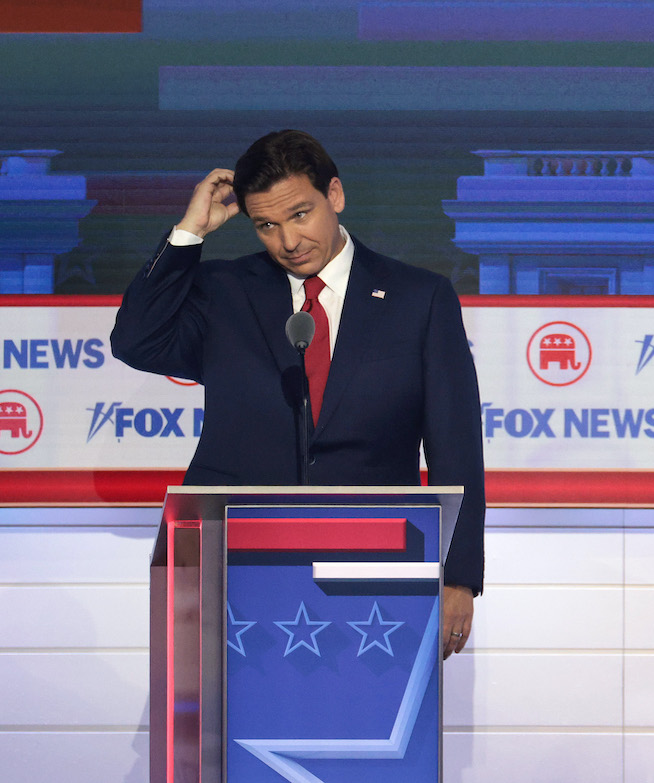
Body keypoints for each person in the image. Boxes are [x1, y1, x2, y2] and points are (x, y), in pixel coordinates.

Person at [111, 130, 484, 658]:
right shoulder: (226, 291)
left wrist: (458, 577)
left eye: (301, 214)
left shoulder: (418, 299)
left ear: (335, 195)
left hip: (374, 566)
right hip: (235, 567)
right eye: (266, 225)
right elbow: (135, 340)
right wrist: (190, 232)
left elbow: (456, 447)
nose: (288, 241)